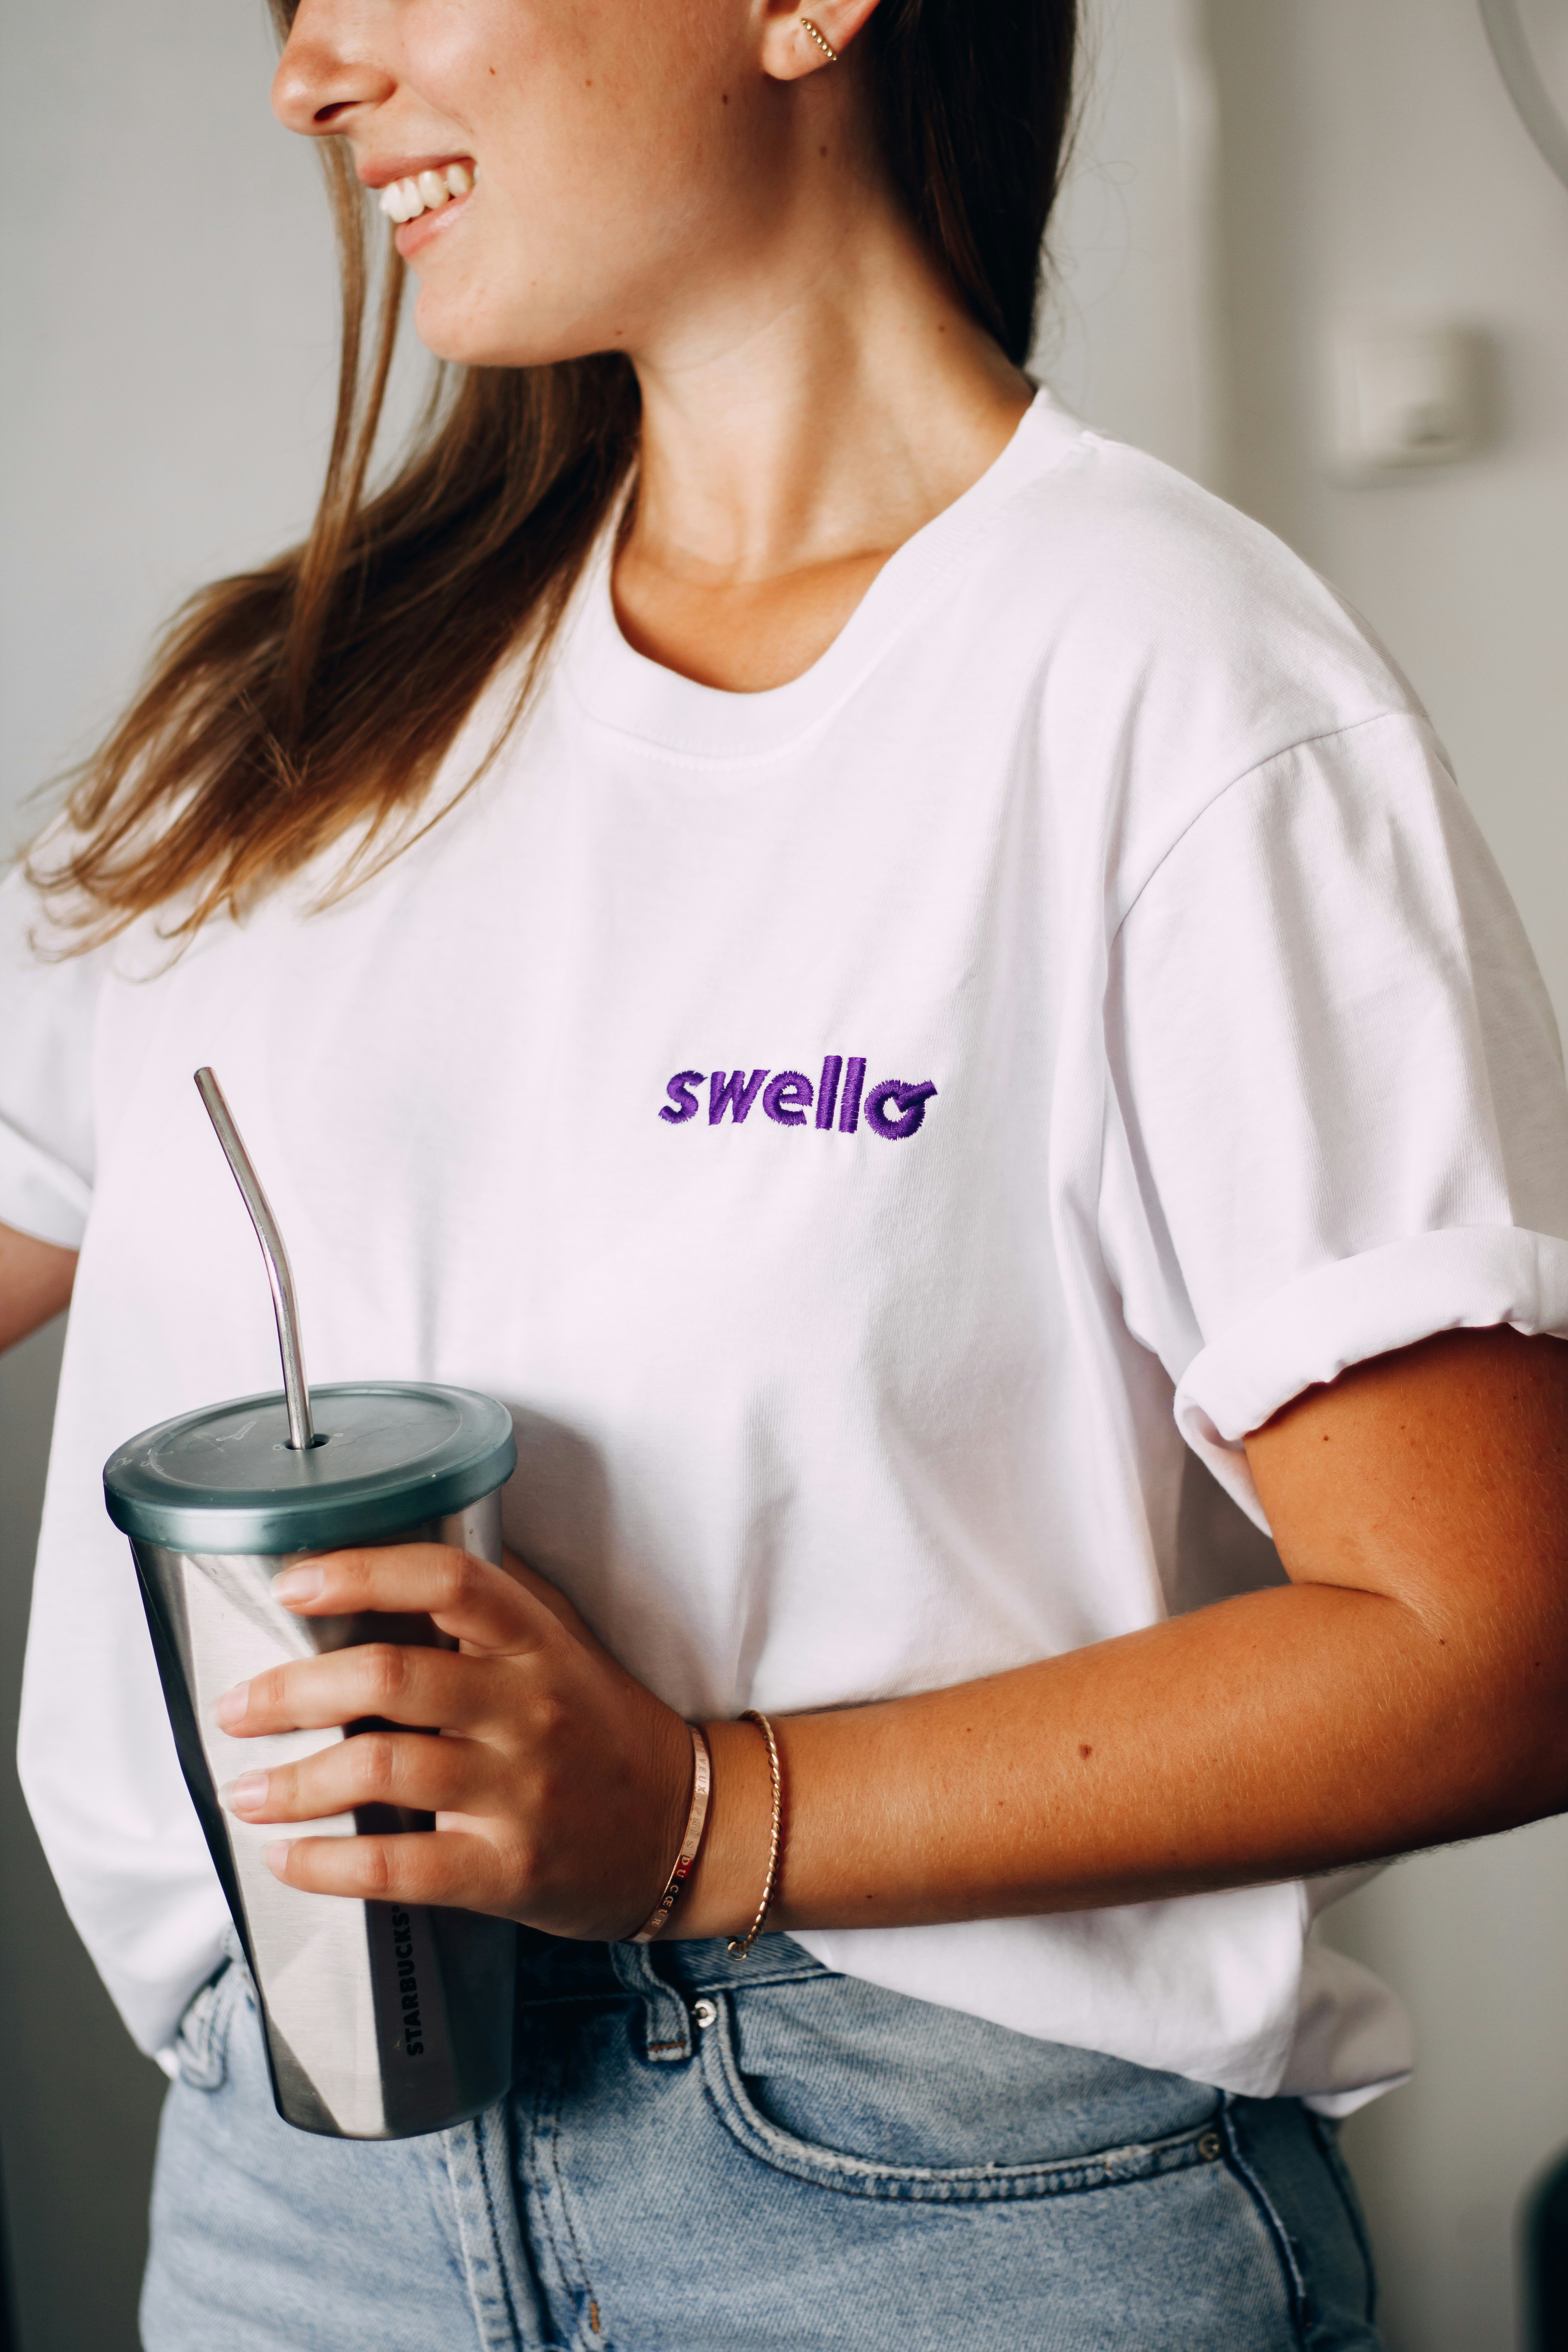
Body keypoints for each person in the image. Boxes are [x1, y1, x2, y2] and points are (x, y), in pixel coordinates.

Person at [3, 0, 1568, 2343]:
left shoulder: (1169, 690)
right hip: (293, 2199)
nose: (308, 73)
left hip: (944, 2222)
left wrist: (698, 1814)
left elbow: (1496, 1635)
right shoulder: (298, 722)